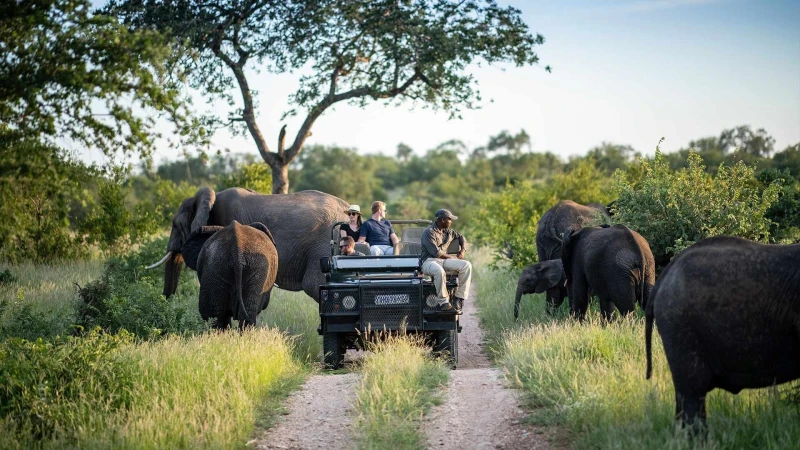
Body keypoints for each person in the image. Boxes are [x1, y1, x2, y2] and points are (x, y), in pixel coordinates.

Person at [420, 209, 471, 313]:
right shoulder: (428, 232)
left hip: (443, 261)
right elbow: (436, 253)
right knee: (439, 271)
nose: (451, 221)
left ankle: (459, 299)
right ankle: (444, 302)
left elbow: (461, 237)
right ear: (443, 220)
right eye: (450, 219)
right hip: (429, 261)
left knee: (466, 265)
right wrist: (451, 257)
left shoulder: (448, 231)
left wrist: (462, 250)